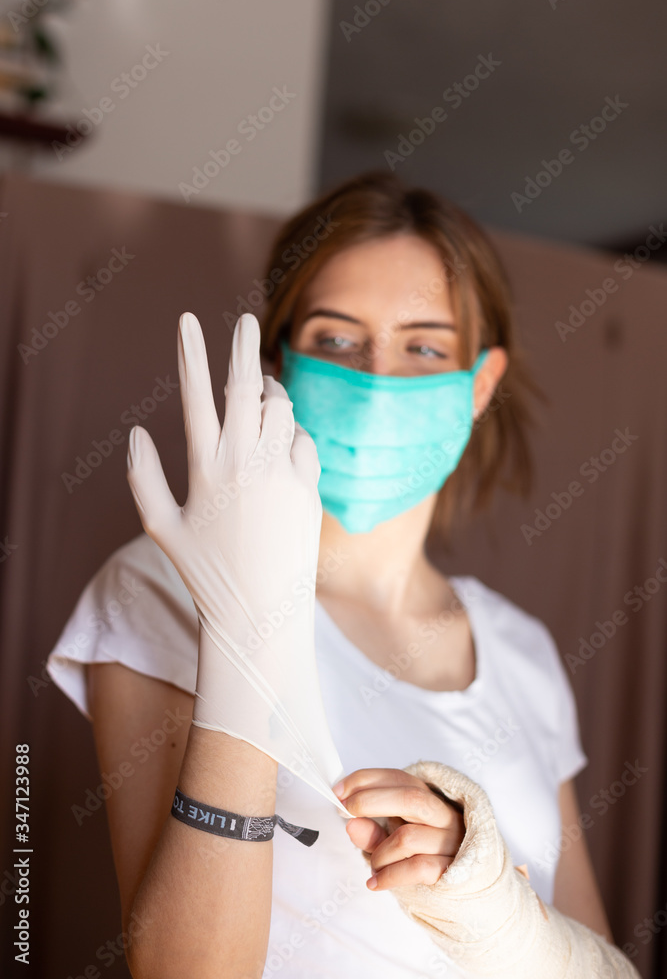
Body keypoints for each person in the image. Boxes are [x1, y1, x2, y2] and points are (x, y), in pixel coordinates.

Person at [47, 171, 623, 979]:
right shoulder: (165, 589)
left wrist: (486, 899)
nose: (378, 378)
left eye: (423, 345)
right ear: (281, 360)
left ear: (480, 385)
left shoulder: (521, 652)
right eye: (335, 338)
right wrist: (246, 638)